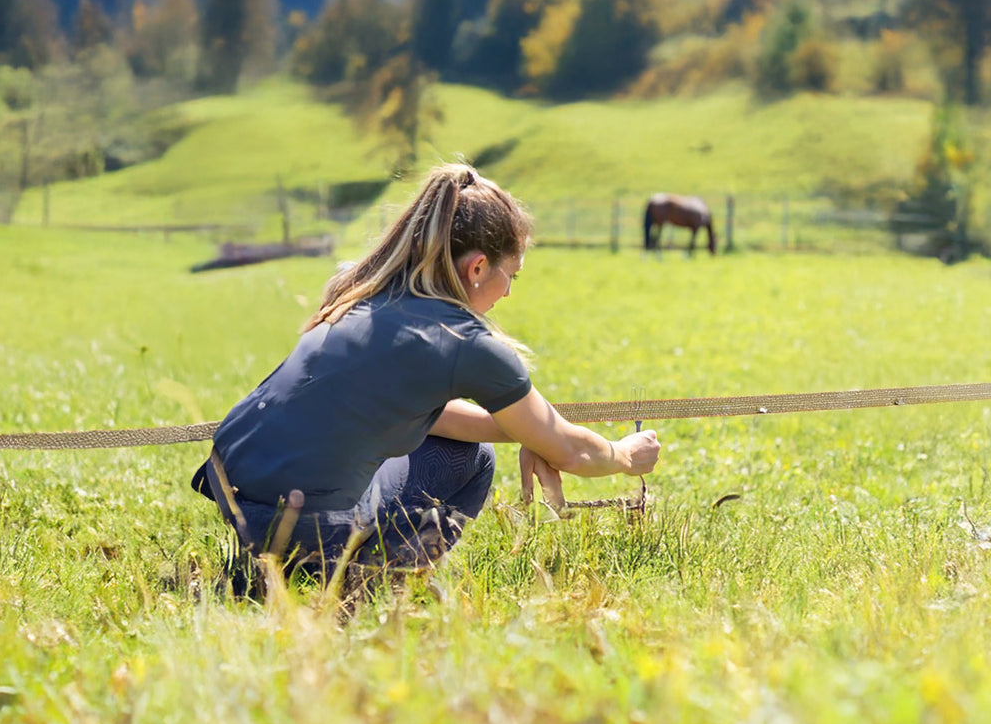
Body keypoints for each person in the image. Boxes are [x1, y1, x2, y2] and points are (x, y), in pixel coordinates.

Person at [191, 163, 661, 585]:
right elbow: (573, 450)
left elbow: (420, 416)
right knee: (472, 462)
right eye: (511, 275)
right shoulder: (464, 343)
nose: (508, 292)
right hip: (311, 522)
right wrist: (623, 454)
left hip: (236, 496)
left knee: (459, 448)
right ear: (477, 267)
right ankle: (368, 582)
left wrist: (528, 434)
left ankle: (271, 568)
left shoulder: (361, 288)